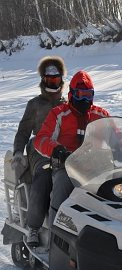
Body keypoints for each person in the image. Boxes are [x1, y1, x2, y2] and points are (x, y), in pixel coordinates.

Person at [34, 70, 110, 232]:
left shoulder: (101, 115)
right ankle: (56, 235)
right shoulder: (59, 114)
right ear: (72, 94)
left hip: (95, 167)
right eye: (80, 94)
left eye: (87, 95)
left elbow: (117, 135)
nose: (84, 99)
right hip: (66, 166)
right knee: (62, 183)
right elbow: (41, 139)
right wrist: (57, 150)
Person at [11, 56, 67, 247]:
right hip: (39, 150)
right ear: (43, 80)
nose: (53, 83)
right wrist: (18, 152)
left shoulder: (67, 105)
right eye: (50, 80)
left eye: (56, 79)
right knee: (44, 175)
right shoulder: (35, 104)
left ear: (61, 80)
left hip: (62, 150)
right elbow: (23, 132)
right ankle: (33, 227)